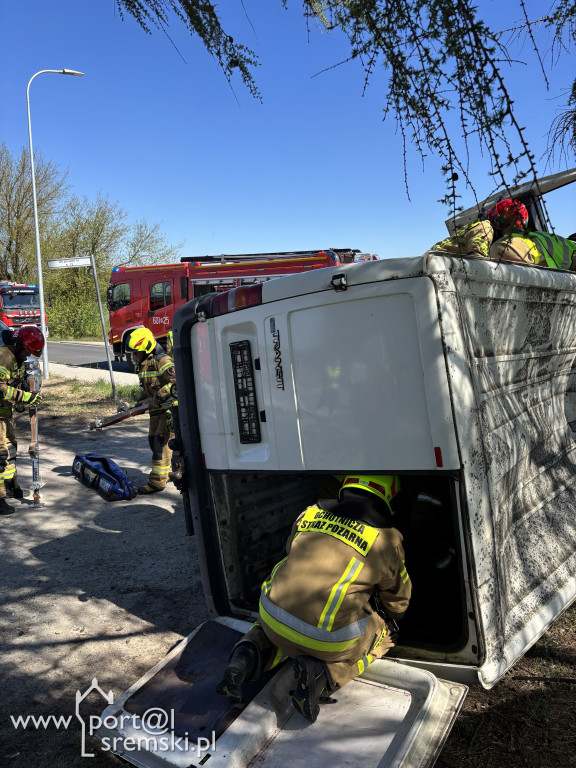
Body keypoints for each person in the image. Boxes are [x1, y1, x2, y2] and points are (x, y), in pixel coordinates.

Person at [216, 474, 412, 723]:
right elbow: (398, 600)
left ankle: (243, 659)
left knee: (278, 623)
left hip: (269, 614)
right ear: (389, 496)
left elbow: (291, 549)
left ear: (346, 486)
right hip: (328, 642)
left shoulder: (310, 512)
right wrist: (392, 615)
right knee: (384, 635)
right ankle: (322, 675)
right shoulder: (387, 539)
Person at [125, 328, 176, 495]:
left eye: (137, 353)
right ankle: (168, 473)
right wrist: (138, 403)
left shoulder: (163, 361)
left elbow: (175, 384)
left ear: (146, 348)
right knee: (153, 442)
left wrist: (157, 398)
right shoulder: (145, 363)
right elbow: (146, 388)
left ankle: (157, 482)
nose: (134, 356)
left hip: (169, 410)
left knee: (161, 445)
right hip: (156, 410)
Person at [0, 326, 44, 515]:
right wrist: (25, 398)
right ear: (19, 345)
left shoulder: (16, 358)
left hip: (4, 415)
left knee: (10, 449)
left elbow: (14, 385)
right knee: (0, 455)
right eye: (27, 351)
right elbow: (1, 389)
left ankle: (11, 487)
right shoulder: (4, 357)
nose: (27, 356)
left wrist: (23, 396)